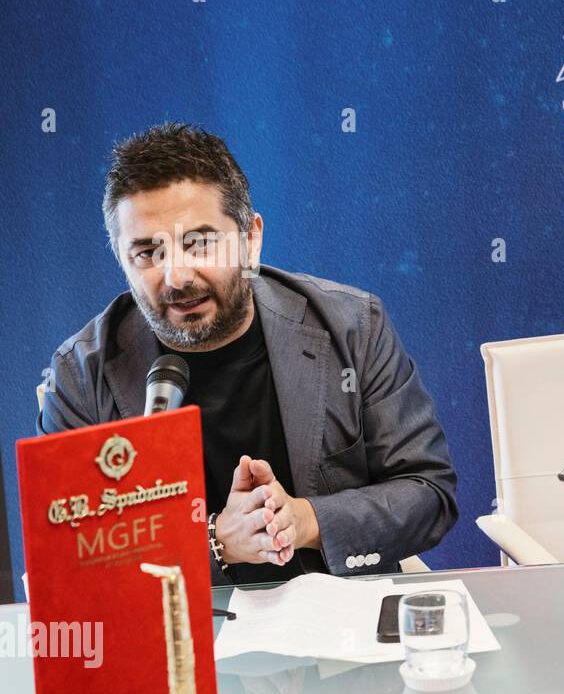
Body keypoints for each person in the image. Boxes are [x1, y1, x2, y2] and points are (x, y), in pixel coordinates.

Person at [40, 123, 458, 583]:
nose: (176, 276)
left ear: (250, 239)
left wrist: (307, 521)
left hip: (336, 624)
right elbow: (69, 560)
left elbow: (428, 494)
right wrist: (219, 542)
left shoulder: (353, 326)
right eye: (147, 252)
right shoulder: (80, 374)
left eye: (199, 243)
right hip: (174, 632)